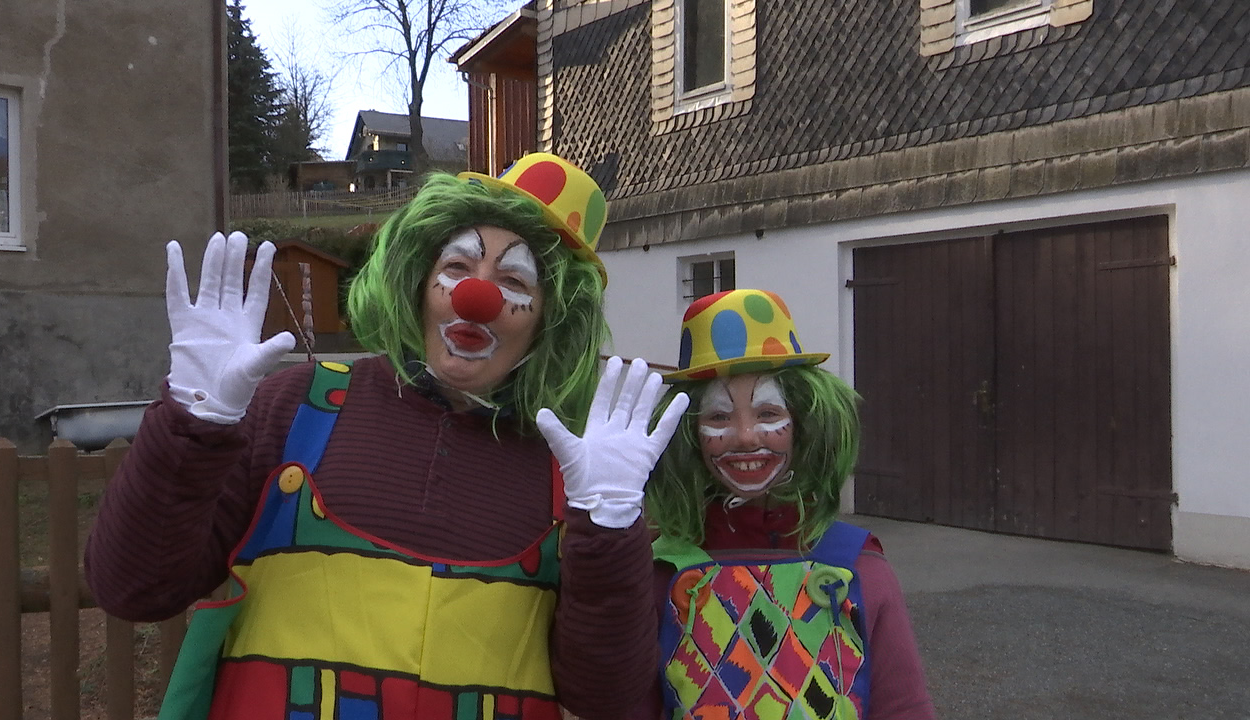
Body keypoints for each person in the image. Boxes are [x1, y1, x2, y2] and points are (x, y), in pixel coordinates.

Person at [84, 153, 689, 720]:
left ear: (549, 320)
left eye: (514, 282)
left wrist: (608, 528)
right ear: (415, 282)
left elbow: (608, 699)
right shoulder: (295, 409)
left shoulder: (570, 468)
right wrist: (193, 421)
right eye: (457, 266)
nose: (476, 297)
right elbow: (133, 588)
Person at [636, 289, 936, 720]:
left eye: (768, 414)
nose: (744, 436)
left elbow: (904, 707)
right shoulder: (660, 571)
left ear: (803, 422)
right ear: (688, 434)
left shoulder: (861, 567)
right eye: (719, 417)